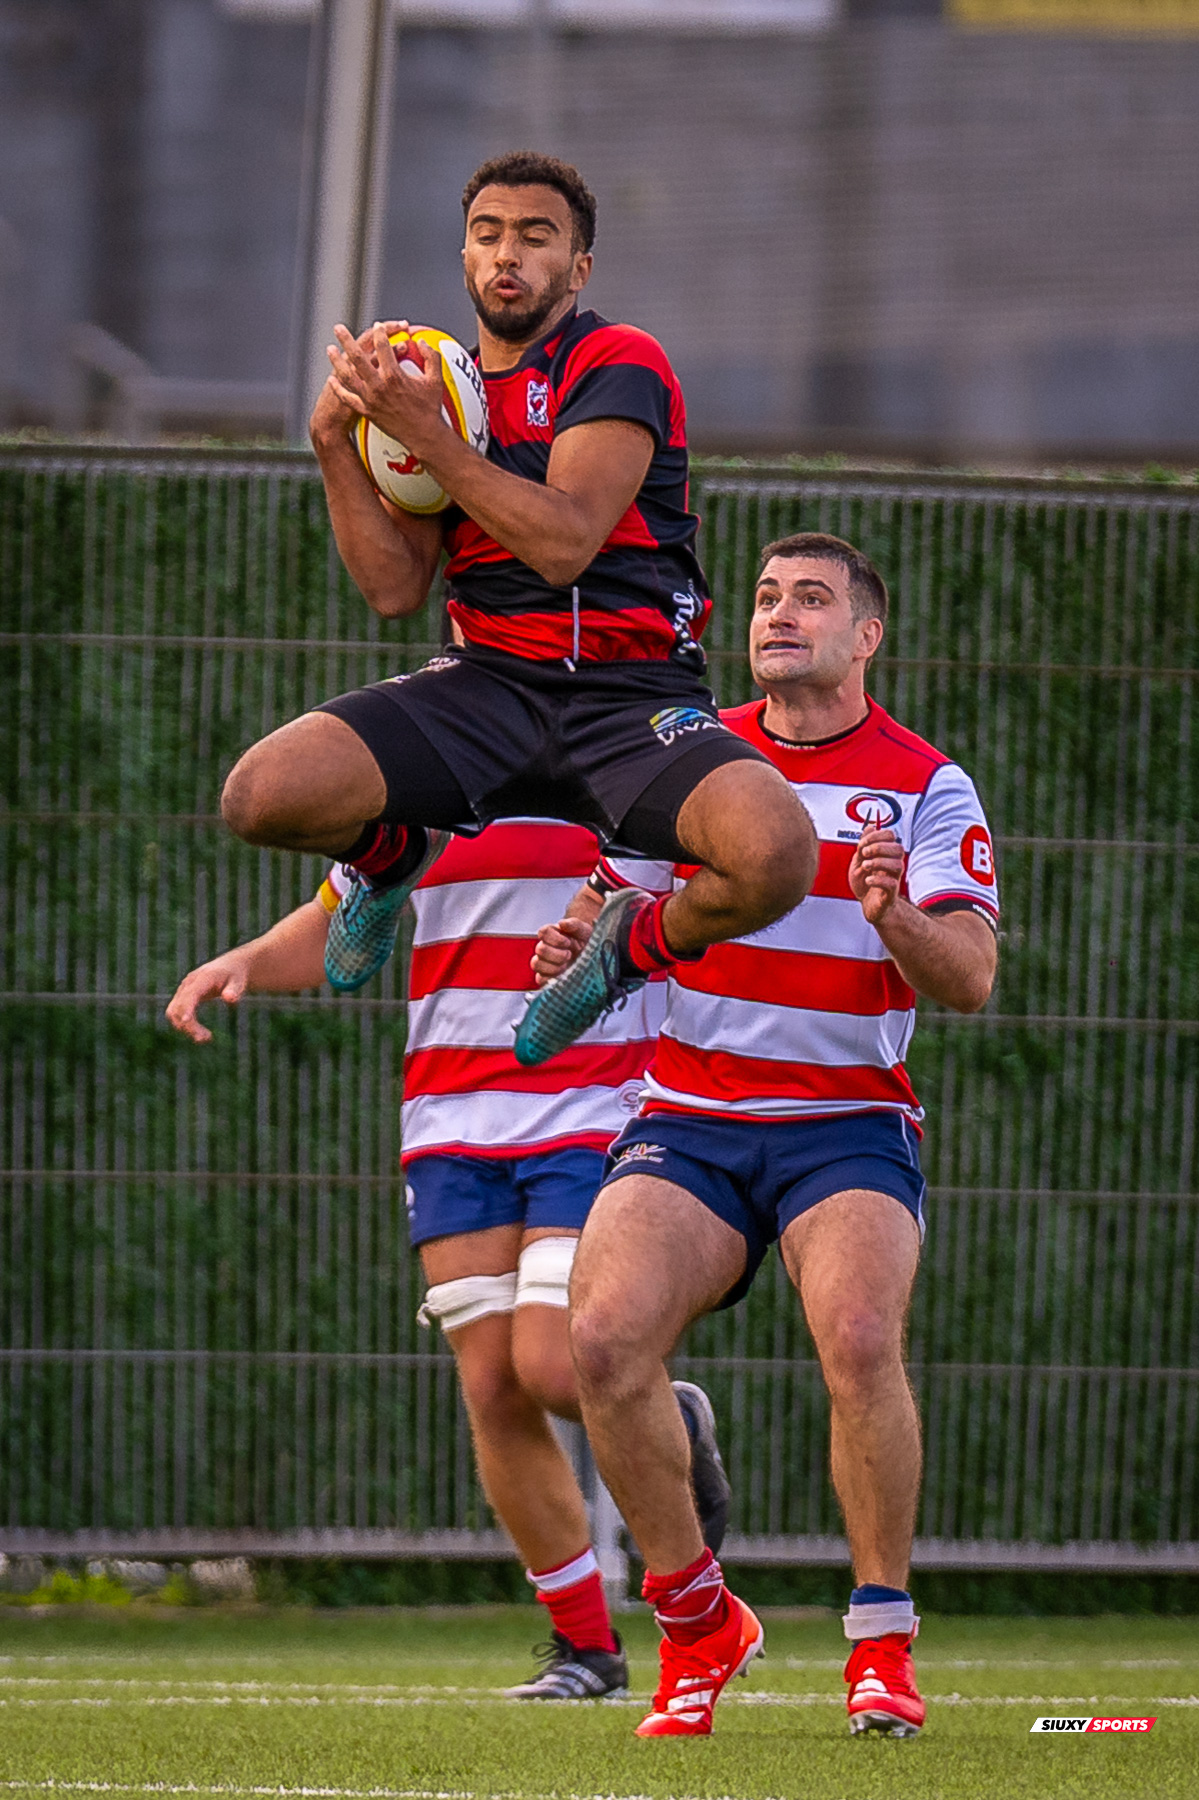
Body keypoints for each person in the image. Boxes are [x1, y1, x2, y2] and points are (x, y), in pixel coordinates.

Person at [531, 533, 1000, 1739]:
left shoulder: (926, 785)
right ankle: (697, 1622)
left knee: (855, 1337)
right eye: (762, 597)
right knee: (600, 1339)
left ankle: (880, 1646)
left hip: (845, 1124)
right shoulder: (690, 760)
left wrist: (897, 918)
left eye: (810, 599)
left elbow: (970, 983)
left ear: (865, 637)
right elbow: (610, 922)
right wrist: (575, 949)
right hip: (687, 1114)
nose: (777, 614)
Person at [217, 150, 817, 1059]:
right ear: (463, 256)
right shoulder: (438, 389)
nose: (509, 254)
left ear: (576, 270)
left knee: (777, 853)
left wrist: (430, 438)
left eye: (537, 237)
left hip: (631, 697)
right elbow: (392, 589)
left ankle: (631, 943)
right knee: (260, 797)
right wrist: (335, 444)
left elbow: (564, 541)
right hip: (487, 685)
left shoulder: (616, 359)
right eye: (487, 234)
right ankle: (386, 860)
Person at [166, 815, 730, 1699]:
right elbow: (338, 917)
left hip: (596, 1104)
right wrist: (241, 962)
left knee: (550, 1366)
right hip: (450, 1125)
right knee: (491, 1385)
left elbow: (712, 906)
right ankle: (588, 1651)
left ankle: (671, 1426)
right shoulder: (429, 785)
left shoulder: (625, 780)